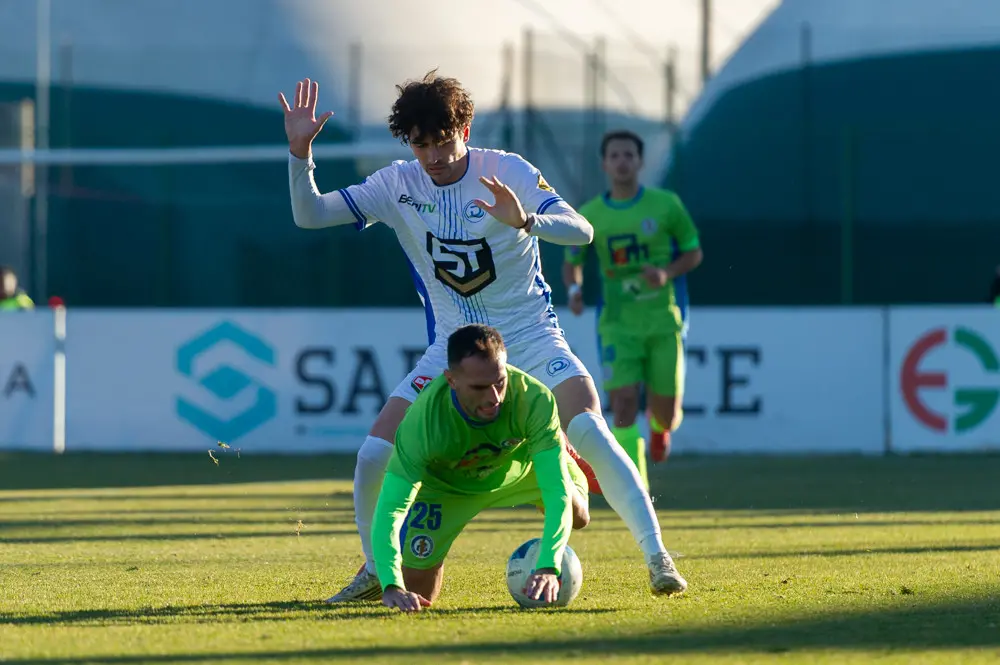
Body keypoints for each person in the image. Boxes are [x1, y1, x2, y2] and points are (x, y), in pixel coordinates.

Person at [279, 72, 688, 602]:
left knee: (590, 427)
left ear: (465, 130)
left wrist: (527, 221)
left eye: (442, 141)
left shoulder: (507, 170)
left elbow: (581, 231)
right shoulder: (396, 184)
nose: (433, 156)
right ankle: (377, 569)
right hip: (453, 347)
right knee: (374, 453)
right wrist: (300, 155)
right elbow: (309, 215)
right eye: (420, 144)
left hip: (530, 335)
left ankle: (658, 559)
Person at [373, 324, 590, 612]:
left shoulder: (534, 398)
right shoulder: (422, 424)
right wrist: (391, 584)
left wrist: (549, 565)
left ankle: (558, 448)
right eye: (479, 387)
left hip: (524, 470)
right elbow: (390, 508)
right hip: (447, 489)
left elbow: (556, 490)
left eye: (500, 382)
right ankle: (385, 572)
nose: (494, 398)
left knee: (578, 515)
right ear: (451, 380)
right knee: (417, 597)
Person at [562, 130, 703, 488]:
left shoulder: (666, 205)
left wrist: (666, 273)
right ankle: (636, 490)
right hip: (616, 324)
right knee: (623, 404)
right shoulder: (590, 214)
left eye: (628, 155)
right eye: (615, 156)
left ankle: (659, 428)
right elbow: (572, 261)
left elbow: (693, 252)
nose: (622, 162)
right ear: (604, 164)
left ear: (640, 161)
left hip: (662, 320)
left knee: (666, 412)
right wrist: (575, 290)